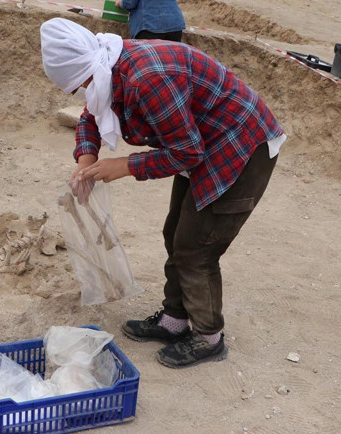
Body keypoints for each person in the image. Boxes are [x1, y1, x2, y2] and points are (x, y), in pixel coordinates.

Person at [40, 18, 286, 368]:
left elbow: (187, 152)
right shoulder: (106, 66)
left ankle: (208, 337)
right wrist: (87, 159)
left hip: (239, 145)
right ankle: (175, 321)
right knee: (176, 233)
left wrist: (126, 166)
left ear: (88, 69)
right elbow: (91, 113)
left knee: (197, 247)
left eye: (80, 85)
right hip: (200, 140)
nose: (81, 93)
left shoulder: (147, 80)